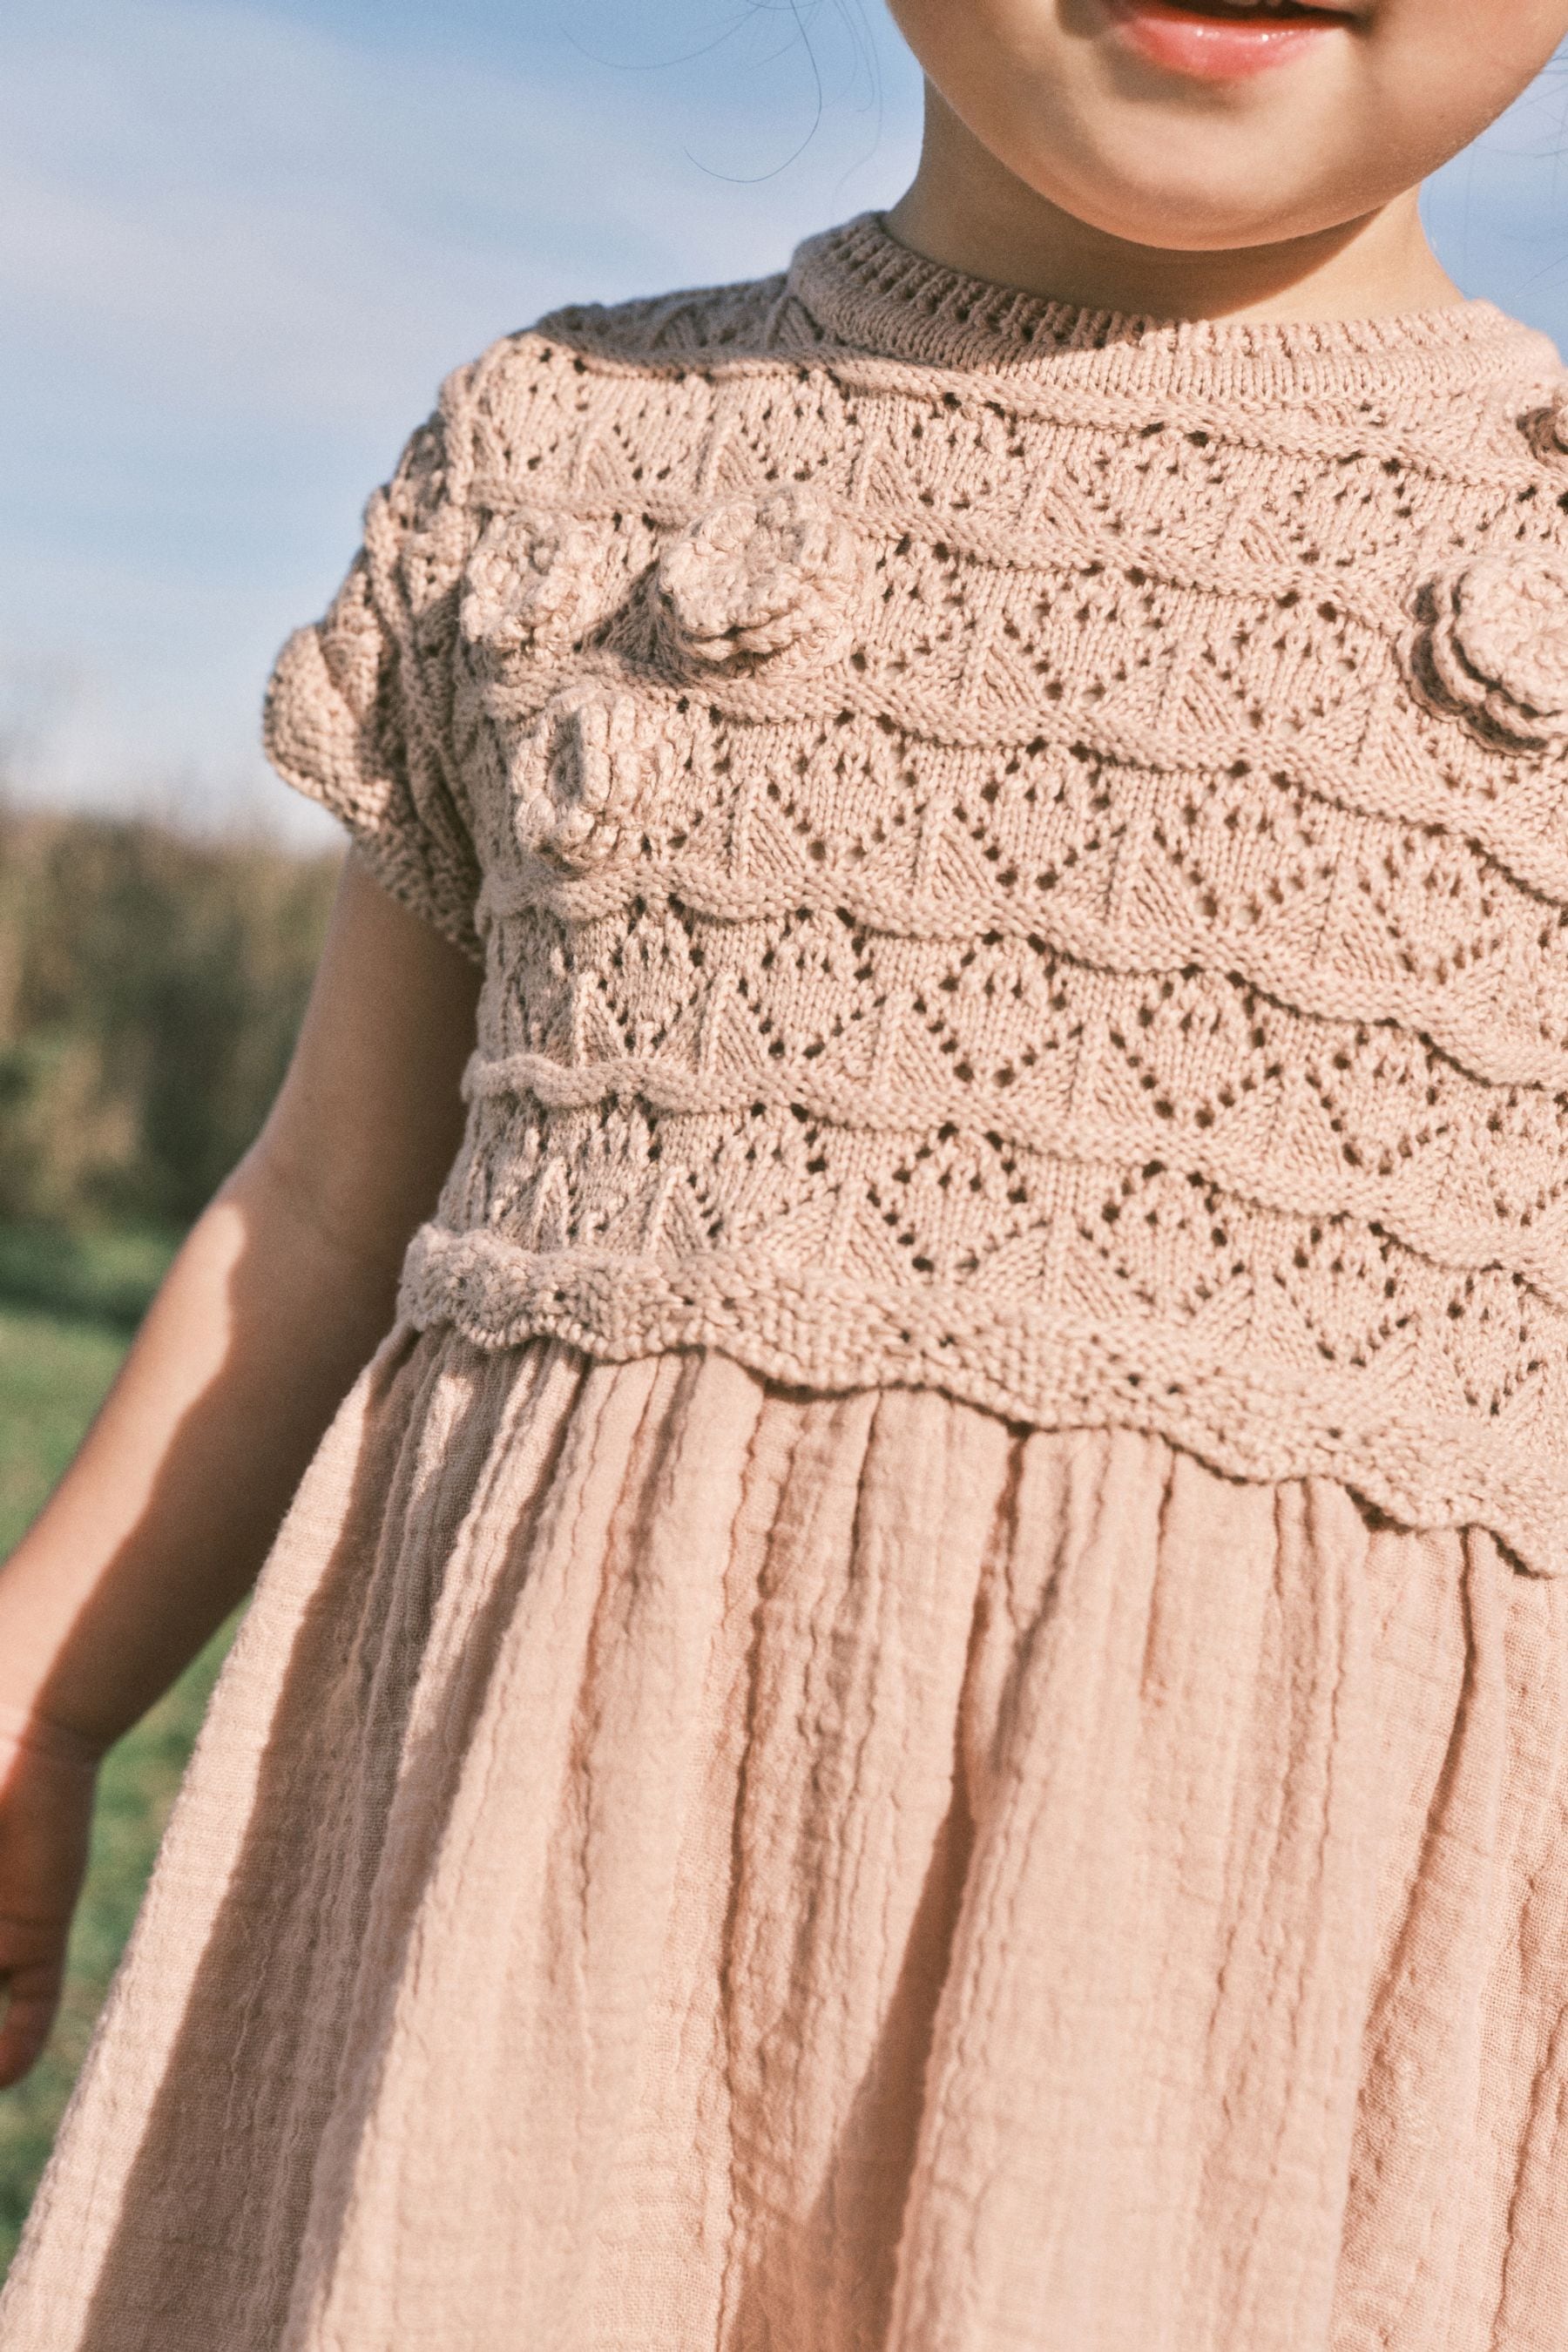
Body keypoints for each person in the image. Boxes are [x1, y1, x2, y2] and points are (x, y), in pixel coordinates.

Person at [4, 0, 1568, 2342]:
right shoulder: (574, 466)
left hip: (1241, 2087)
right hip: (543, 1985)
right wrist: (37, 1693)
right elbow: (331, 1204)